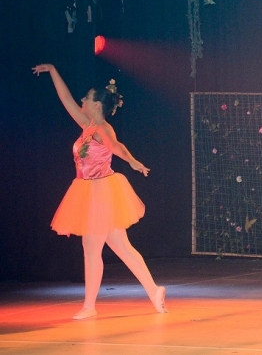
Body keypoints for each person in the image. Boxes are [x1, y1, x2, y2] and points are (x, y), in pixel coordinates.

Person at [33, 64, 167, 320]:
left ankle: (89, 306)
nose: (82, 99)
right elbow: (66, 99)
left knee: (91, 247)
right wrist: (52, 70)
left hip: (101, 192)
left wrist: (131, 161)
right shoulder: (87, 125)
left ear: (96, 105)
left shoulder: (102, 129)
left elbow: (115, 146)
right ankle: (154, 291)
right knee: (123, 248)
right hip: (88, 190)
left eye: (86, 97)